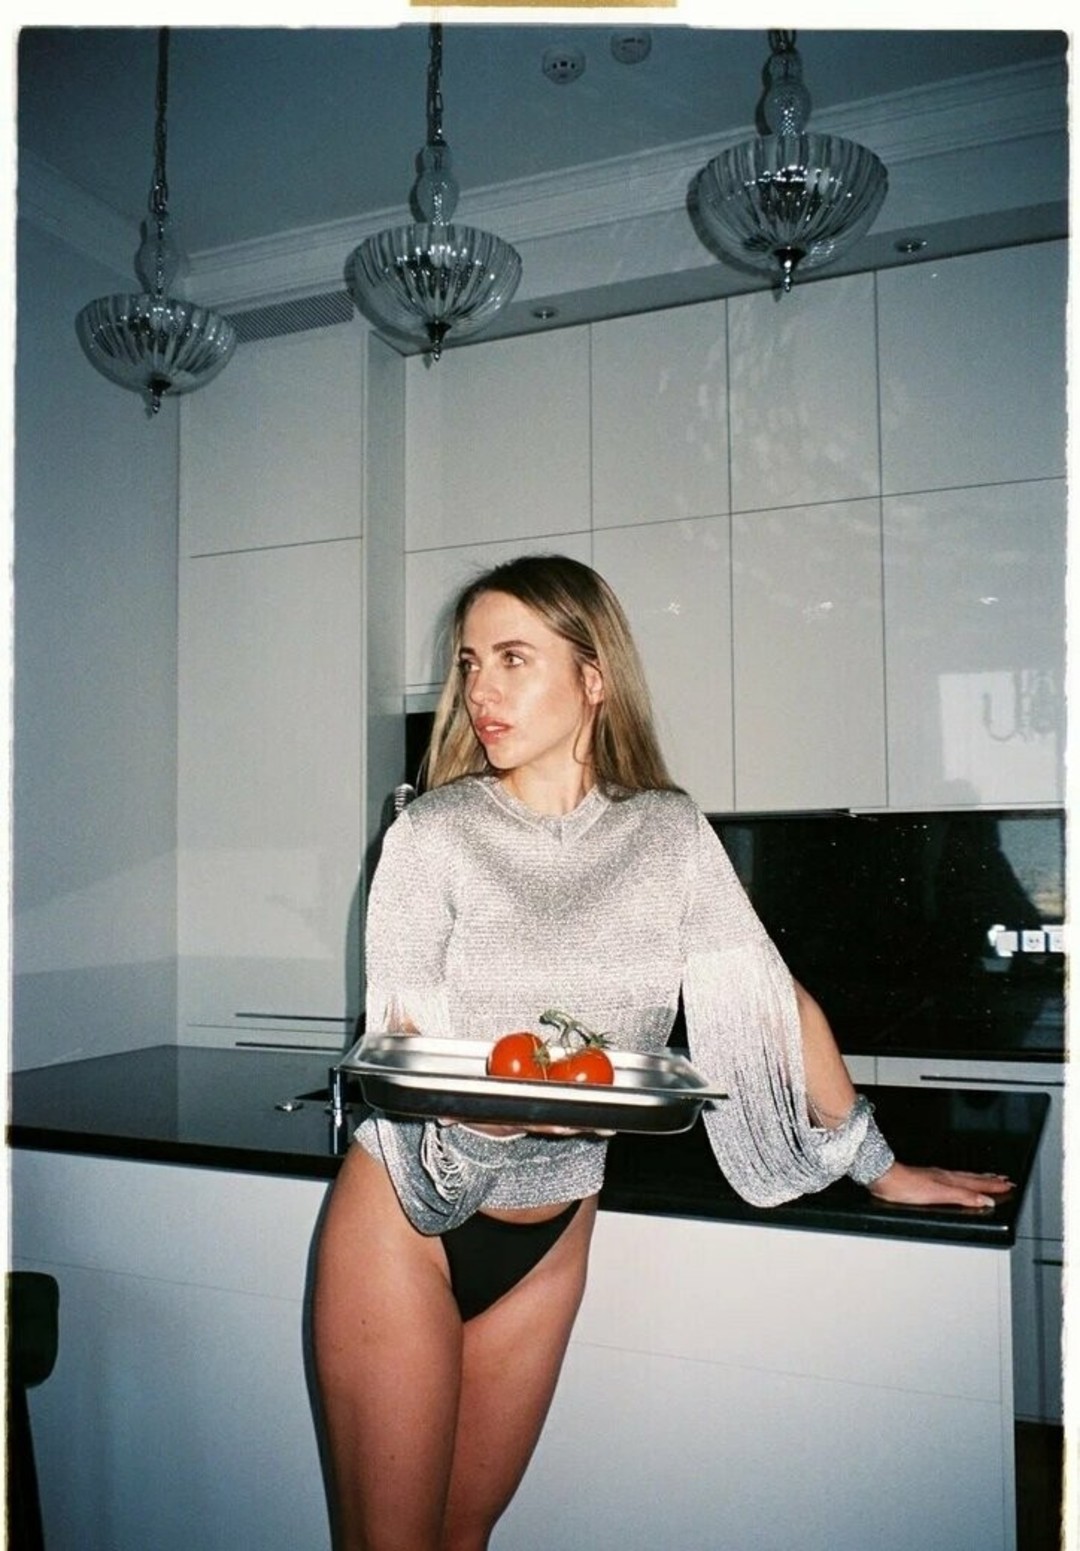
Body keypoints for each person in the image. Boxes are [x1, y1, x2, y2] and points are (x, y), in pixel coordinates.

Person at [312, 553, 1013, 1551]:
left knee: (465, 1536)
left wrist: (879, 1163)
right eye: (470, 663)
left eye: (513, 658)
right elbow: (403, 1041)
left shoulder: (667, 834)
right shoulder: (432, 833)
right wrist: (489, 1113)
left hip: (552, 1233)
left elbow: (773, 1003)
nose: (480, 690)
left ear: (594, 676)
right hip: (406, 1217)